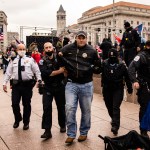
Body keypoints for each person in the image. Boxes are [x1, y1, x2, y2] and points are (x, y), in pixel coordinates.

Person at [59, 31, 101, 144]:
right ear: (76, 38)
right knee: (69, 108)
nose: (81, 40)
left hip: (86, 85)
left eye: (83, 38)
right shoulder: (67, 48)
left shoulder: (92, 51)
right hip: (71, 84)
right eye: (79, 38)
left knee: (86, 110)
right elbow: (58, 57)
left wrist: (90, 69)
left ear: (86, 39)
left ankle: (83, 132)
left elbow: (98, 66)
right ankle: (71, 134)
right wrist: (64, 69)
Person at [3, 43, 41, 130]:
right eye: (20, 49)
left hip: (27, 85)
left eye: (23, 49)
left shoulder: (30, 59)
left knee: (26, 104)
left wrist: (39, 80)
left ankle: (26, 122)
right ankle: (17, 119)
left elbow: (37, 70)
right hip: (16, 86)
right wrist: (4, 83)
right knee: (14, 103)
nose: (22, 51)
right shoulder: (13, 60)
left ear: (26, 50)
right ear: (17, 50)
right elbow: (8, 72)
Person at [100, 48, 133, 135]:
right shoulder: (104, 63)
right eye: (110, 57)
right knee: (109, 106)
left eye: (114, 57)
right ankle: (113, 118)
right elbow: (100, 73)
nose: (112, 59)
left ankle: (115, 126)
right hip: (107, 89)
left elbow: (127, 77)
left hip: (118, 89)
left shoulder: (122, 65)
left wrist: (130, 88)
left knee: (115, 107)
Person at [39, 42, 66, 139]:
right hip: (48, 87)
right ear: (44, 49)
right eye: (46, 48)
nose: (48, 49)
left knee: (61, 107)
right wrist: (59, 71)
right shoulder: (42, 61)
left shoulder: (59, 58)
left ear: (53, 48)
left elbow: (65, 69)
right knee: (46, 108)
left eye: (50, 47)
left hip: (59, 86)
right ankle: (47, 131)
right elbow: (46, 73)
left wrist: (60, 71)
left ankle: (63, 125)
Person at [128, 40, 150, 138]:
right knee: (145, 108)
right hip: (145, 86)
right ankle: (143, 130)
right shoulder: (141, 56)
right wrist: (134, 81)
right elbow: (131, 68)